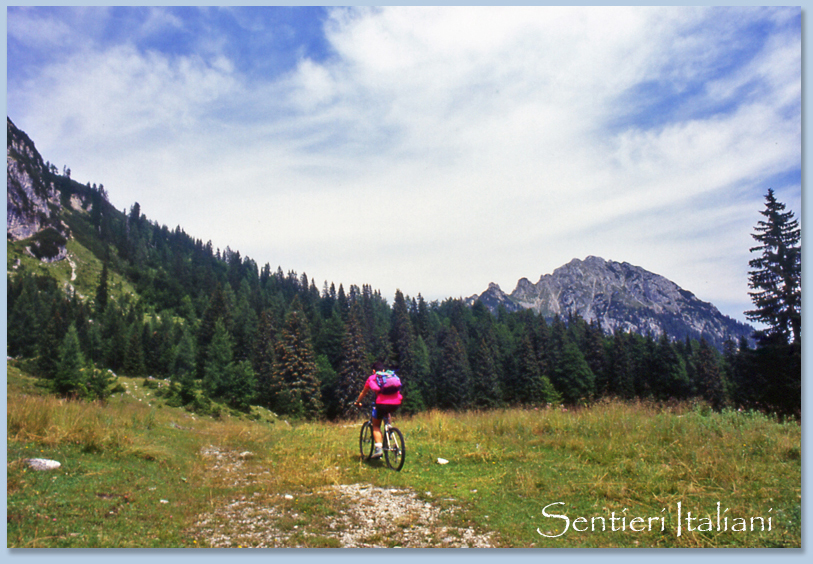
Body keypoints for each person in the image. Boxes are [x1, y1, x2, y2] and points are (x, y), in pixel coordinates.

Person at [355, 361, 403, 459]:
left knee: (376, 425)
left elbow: (363, 393)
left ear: (373, 371)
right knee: (387, 411)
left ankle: (378, 449)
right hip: (396, 403)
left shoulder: (372, 378)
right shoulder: (390, 376)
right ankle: (389, 430)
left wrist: (358, 402)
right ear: (384, 370)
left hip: (381, 403)